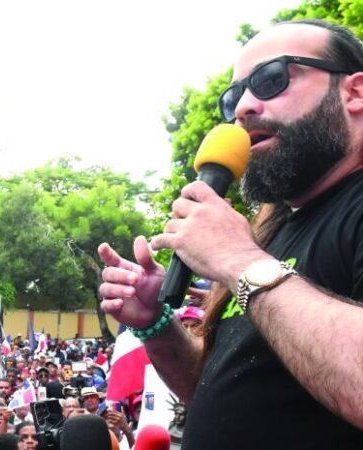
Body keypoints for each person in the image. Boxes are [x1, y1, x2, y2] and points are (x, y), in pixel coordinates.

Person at [97, 18, 363, 449]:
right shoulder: (273, 235)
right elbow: (219, 398)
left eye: (272, 79)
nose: (243, 109)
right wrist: (157, 325)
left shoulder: (252, 253)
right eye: (235, 96)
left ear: (354, 92)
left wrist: (240, 260)